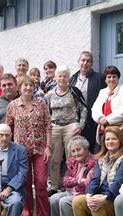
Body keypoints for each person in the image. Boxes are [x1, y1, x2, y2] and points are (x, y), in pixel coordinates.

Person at [5, 76, 52, 216]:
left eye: (30, 85)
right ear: (19, 87)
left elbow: (48, 126)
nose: (28, 88)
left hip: (40, 150)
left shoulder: (41, 103)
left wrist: (48, 147)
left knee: (40, 183)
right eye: (25, 85)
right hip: (21, 152)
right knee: (24, 184)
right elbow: (7, 128)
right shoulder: (12, 105)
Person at [48, 136, 96, 216]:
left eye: (78, 149)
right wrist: (79, 180)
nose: (75, 153)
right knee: (54, 198)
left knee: (64, 201)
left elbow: (88, 183)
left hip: (84, 194)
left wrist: (75, 181)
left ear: (86, 149)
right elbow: (65, 181)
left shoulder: (93, 162)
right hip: (72, 191)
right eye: (73, 151)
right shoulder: (71, 162)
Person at [47, 65, 88, 196]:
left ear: (69, 78)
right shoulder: (50, 94)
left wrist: (80, 126)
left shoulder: (74, 91)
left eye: (65, 75)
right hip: (55, 127)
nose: (62, 78)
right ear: (55, 78)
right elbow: (46, 112)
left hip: (71, 125)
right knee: (55, 158)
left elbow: (84, 109)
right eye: (59, 75)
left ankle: (72, 183)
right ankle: (53, 185)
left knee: (72, 157)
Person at [69, 51, 106, 152]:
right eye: (83, 60)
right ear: (78, 61)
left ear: (92, 63)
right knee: (76, 150)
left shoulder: (99, 78)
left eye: (88, 61)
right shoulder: (72, 79)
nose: (85, 63)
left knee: (89, 149)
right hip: (75, 121)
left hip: (91, 121)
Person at [91, 65, 123, 144]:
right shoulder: (102, 92)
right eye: (109, 77)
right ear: (105, 80)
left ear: (118, 78)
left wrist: (107, 120)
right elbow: (95, 109)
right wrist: (100, 118)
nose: (111, 79)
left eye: (114, 76)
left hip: (119, 129)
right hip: (104, 130)